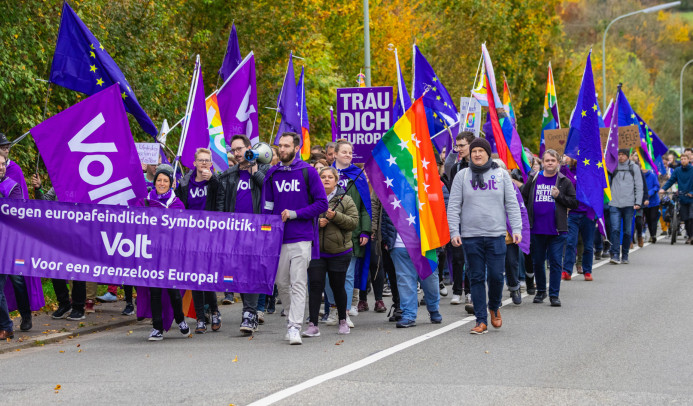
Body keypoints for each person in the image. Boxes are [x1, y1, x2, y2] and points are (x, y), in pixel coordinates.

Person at [448, 138, 522, 334]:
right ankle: (481, 320)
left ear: (488, 153)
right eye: (474, 151)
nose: (477, 154)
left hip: (496, 235)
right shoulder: (462, 176)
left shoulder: (501, 175)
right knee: (476, 278)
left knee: (497, 277)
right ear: (470, 154)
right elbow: (454, 205)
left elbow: (512, 203)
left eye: (481, 151)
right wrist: (454, 231)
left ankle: (494, 306)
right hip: (471, 237)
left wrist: (517, 229)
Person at [262, 132, 328, 345]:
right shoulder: (272, 174)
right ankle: (292, 317)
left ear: (296, 148)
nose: (281, 149)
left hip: (301, 237)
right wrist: (267, 230)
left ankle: (294, 326)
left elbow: (322, 204)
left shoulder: (308, 172)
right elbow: (268, 207)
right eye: (279, 146)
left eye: (286, 146)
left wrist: (295, 214)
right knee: (281, 283)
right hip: (278, 240)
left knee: (298, 282)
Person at [214, 135, 270, 334]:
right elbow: (220, 205)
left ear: (249, 148)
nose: (237, 153)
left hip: (257, 232)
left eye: (240, 149)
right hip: (234, 233)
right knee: (238, 272)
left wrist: (254, 170)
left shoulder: (264, 170)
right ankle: (250, 312)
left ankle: (249, 313)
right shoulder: (228, 176)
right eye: (234, 150)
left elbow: (270, 190)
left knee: (252, 271)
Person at [303, 167, 358, 337]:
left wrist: (335, 217)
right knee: (315, 286)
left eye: (330, 177)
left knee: (337, 286)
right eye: (323, 177)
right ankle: (313, 324)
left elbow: (353, 223)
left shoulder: (346, 199)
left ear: (336, 180)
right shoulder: (310, 198)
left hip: (339, 252)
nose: (326, 179)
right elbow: (302, 217)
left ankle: (343, 320)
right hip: (316, 251)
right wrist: (316, 222)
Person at [137, 164, 189, 341]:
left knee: (173, 291)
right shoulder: (145, 201)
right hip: (151, 254)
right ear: (155, 181)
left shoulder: (176, 203)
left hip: (171, 254)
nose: (161, 183)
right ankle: (157, 327)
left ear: (170, 183)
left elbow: (184, 228)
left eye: (165, 180)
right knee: (155, 291)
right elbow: (135, 223)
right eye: (159, 180)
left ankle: (180, 320)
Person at [174, 147, 222, 334]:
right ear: (194, 163)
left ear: (211, 164)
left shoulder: (216, 182)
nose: (203, 163)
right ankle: (201, 318)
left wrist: (214, 181)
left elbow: (221, 203)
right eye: (200, 160)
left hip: (210, 236)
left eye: (206, 160)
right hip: (190, 236)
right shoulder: (185, 183)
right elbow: (178, 207)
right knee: (195, 277)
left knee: (206, 275)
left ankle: (215, 312)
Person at [522, 149, 577, 306]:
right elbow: (524, 198)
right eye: (547, 161)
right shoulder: (533, 178)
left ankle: (554, 294)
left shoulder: (564, 181)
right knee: (538, 261)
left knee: (555, 262)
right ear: (543, 162)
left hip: (557, 230)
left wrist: (559, 196)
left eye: (553, 161)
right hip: (537, 229)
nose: (550, 163)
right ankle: (540, 291)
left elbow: (574, 203)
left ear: (558, 163)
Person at [30, 173, 89, 320]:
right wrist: (39, 189)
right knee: (55, 270)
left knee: (78, 271)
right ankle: (64, 304)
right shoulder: (58, 185)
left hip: (78, 236)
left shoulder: (86, 186)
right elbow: (44, 203)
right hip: (58, 236)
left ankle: (78, 307)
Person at [331, 140, 371, 319]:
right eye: (344, 152)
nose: (348, 155)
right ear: (335, 154)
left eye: (350, 152)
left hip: (351, 233)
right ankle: (331, 309)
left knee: (347, 274)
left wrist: (365, 231)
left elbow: (364, 207)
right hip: (328, 233)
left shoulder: (358, 175)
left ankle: (344, 311)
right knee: (328, 275)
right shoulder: (326, 174)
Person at [0, 145, 33, 332]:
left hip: (9, 244)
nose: (2, 168)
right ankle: (5, 325)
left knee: (17, 280)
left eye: (3, 164)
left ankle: (26, 316)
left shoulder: (12, 186)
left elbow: (16, 213)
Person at [444, 131, 475, 305]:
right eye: (457, 145)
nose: (458, 149)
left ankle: (470, 291)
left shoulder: (479, 165)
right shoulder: (456, 167)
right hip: (458, 215)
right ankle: (457, 290)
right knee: (457, 255)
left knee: (470, 256)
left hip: (474, 217)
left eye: (462, 145)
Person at [561, 156, 597, 282]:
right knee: (570, 242)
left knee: (588, 245)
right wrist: (563, 163)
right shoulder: (566, 170)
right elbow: (559, 181)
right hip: (573, 213)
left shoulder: (592, 171)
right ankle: (567, 270)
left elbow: (597, 190)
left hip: (588, 214)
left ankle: (587, 271)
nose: (575, 158)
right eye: (573, 156)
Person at [608, 149, 643, 264]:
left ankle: (625, 254)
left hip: (629, 204)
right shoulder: (612, 166)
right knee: (615, 229)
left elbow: (639, 185)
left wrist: (638, 202)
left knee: (627, 231)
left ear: (627, 156)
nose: (620, 157)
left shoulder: (634, 168)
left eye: (623, 154)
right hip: (614, 203)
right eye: (618, 154)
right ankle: (616, 254)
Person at [660, 153, 693, 242]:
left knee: (691, 217)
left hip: (691, 198)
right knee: (685, 219)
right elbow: (671, 180)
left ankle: (691, 236)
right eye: (681, 159)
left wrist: (691, 192)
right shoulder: (677, 170)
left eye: (685, 159)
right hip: (682, 197)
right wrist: (663, 189)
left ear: (688, 160)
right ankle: (690, 237)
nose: (683, 161)